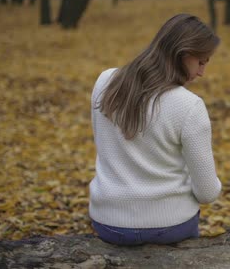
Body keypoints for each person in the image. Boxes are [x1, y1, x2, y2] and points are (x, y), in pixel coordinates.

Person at [89, 14, 222, 245]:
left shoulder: (105, 81)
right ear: (183, 54)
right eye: (201, 62)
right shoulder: (189, 105)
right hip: (169, 226)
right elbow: (207, 193)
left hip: (108, 223)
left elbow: (104, 145)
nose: (202, 73)